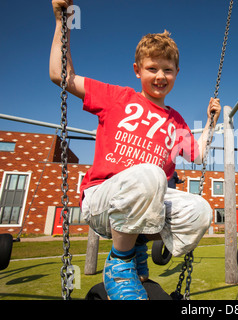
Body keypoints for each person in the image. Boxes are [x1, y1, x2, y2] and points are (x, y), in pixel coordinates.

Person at [50, 0, 221, 300]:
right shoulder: (117, 97)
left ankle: (136, 246)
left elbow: (197, 155)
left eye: (167, 70)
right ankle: (119, 262)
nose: (160, 76)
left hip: (146, 205)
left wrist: (210, 124)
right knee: (151, 174)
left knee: (200, 211)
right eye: (152, 68)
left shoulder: (175, 120)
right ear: (137, 70)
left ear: (176, 73)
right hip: (103, 200)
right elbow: (60, 76)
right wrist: (62, 23)